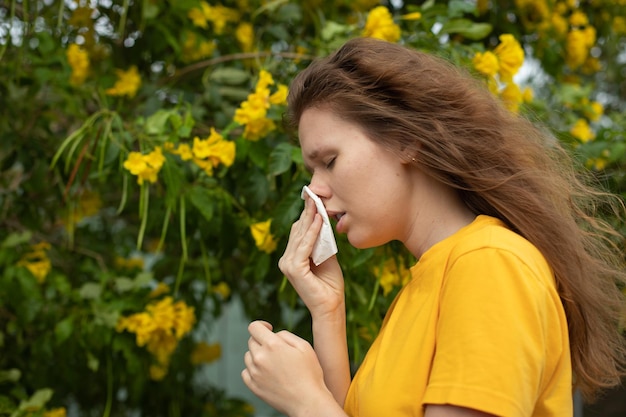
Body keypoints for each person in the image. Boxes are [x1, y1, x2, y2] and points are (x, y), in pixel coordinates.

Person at [241, 37, 626, 417]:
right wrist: (327, 309)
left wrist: (306, 402)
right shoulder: (431, 281)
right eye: (312, 171)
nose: (315, 189)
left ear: (407, 140)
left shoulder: (490, 265)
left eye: (329, 160)